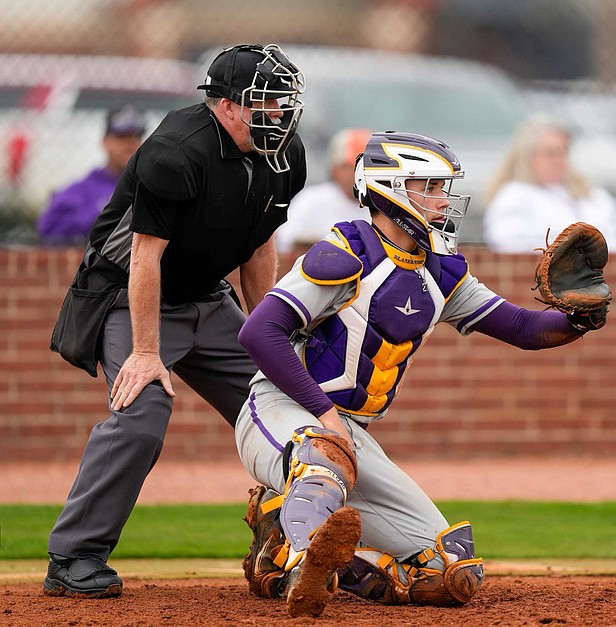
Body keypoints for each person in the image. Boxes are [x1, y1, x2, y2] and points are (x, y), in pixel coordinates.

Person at [234, 131, 608, 618]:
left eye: (442, 187)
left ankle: (280, 538)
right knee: (325, 457)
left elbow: (522, 327)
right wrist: (325, 414)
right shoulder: (345, 251)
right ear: (389, 189)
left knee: (449, 573)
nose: (442, 200)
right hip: (281, 409)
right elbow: (259, 332)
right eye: (428, 187)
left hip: (348, 432)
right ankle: (303, 566)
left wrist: (578, 320)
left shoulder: (441, 271)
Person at [43, 43, 307, 599]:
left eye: (283, 101)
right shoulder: (176, 151)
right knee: (142, 412)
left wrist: (270, 341)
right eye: (265, 101)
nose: (279, 113)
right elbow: (145, 257)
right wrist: (145, 353)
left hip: (207, 298)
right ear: (226, 105)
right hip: (128, 294)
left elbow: (259, 246)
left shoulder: (283, 153)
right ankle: (73, 557)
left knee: (286, 406)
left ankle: (295, 536)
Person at [483, 118, 616, 253]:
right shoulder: (514, 197)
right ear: (527, 157)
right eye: (550, 153)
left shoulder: (595, 196)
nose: (558, 161)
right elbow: (509, 249)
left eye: (563, 152)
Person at [36, 105, 147, 246]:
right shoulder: (81, 190)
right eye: (122, 137)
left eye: (136, 137)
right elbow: (46, 230)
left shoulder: (151, 186)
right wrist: (101, 216)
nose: (130, 144)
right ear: (105, 141)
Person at [276, 127, 373, 252]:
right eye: (355, 167)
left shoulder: (385, 205)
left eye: (368, 168)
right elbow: (285, 245)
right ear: (336, 169)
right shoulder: (311, 201)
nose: (363, 174)